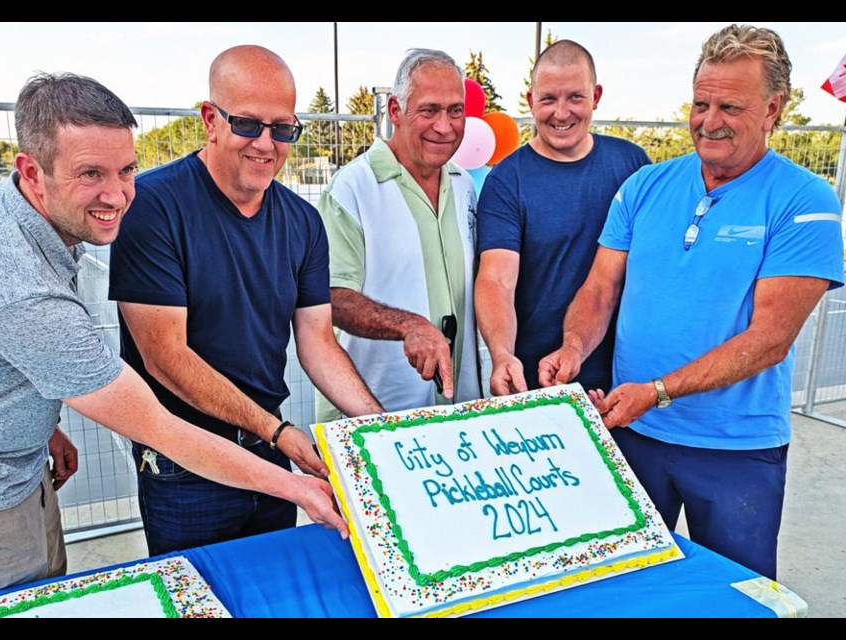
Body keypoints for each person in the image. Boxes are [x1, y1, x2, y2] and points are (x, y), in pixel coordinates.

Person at [0, 72, 348, 603]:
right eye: (90, 174)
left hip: (15, 467)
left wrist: (42, 418)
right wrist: (297, 486)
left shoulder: (19, 210)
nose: (119, 195)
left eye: (127, 169)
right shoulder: (17, 285)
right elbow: (160, 427)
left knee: (51, 598)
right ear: (32, 171)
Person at [538, 24, 844, 579]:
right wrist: (574, 347)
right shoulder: (645, 185)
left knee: (735, 595)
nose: (708, 121)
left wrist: (657, 392)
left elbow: (769, 339)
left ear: (774, 108)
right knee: (624, 586)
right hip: (633, 436)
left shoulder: (806, 200)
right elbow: (601, 288)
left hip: (735, 450)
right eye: (700, 103)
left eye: (730, 105)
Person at [108, 46, 383, 557]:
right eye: (249, 125)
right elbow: (165, 358)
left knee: (274, 592)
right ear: (210, 120)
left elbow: (318, 343)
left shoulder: (302, 222)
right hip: (184, 463)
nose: (266, 143)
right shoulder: (152, 208)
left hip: (267, 455)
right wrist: (278, 432)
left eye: (282, 129)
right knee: (202, 599)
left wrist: (381, 426)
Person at [475, 40, 650, 397]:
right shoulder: (507, 181)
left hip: (625, 381)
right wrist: (502, 354)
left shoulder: (633, 165)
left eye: (575, 97)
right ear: (530, 101)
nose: (561, 112)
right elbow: (496, 279)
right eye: (549, 99)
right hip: (537, 380)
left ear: (596, 96)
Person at [315, 49, 481, 422]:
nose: (445, 125)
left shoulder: (464, 184)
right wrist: (408, 326)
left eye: (456, 110)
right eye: (429, 110)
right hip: (374, 417)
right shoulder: (353, 187)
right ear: (395, 111)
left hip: (457, 415)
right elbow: (328, 297)